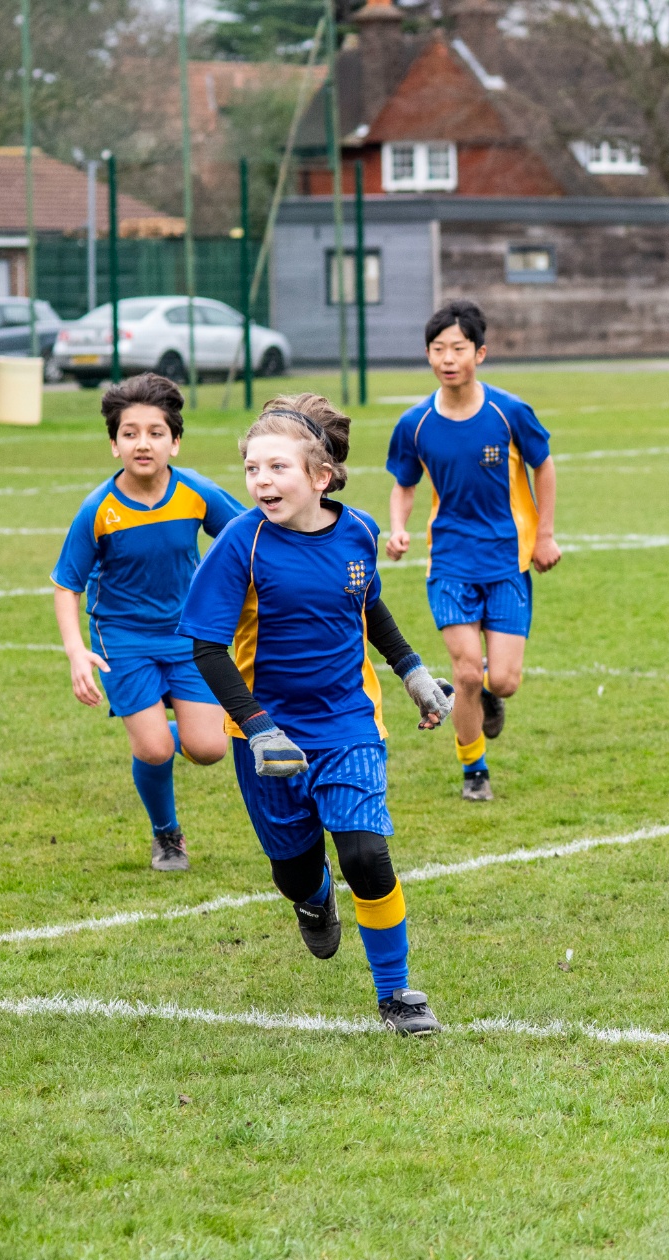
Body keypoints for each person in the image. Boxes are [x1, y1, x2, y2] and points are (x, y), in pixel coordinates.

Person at [181, 395, 457, 1033]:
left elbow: (369, 607)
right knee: (296, 870)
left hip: (348, 724)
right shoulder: (239, 544)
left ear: (319, 476)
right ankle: (312, 901)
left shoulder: (358, 530)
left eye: (277, 468)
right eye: (252, 469)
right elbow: (206, 645)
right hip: (267, 738)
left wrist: (413, 672)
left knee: (365, 855)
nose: (261, 482)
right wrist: (258, 728)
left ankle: (397, 995)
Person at [50, 373, 245, 872]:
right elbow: (67, 584)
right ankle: (167, 834)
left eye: (156, 432)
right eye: (130, 432)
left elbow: (247, 537)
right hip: (123, 640)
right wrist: (77, 652)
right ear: (114, 444)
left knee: (208, 749)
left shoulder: (196, 493)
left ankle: (161, 718)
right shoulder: (98, 509)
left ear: (174, 442)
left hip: (188, 636)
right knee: (156, 750)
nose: (143, 443)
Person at [385, 300, 561, 802]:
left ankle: (485, 695)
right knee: (464, 671)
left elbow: (544, 466)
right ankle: (474, 771)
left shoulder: (509, 412)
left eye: (458, 348)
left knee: (502, 681)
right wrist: (398, 528)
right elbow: (404, 483)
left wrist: (545, 535)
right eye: (438, 349)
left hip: (508, 560)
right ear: (428, 355)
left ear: (479, 353)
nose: (448, 358)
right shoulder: (415, 423)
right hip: (450, 564)